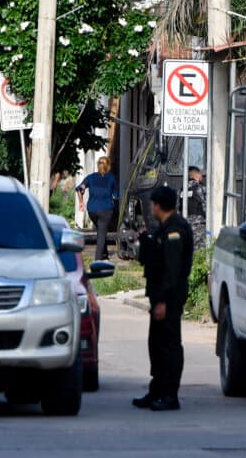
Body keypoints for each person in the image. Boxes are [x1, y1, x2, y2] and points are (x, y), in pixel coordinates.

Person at [133, 186, 194, 412]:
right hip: (159, 297)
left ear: (158, 205)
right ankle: (156, 390)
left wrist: (163, 302)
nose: (151, 208)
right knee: (156, 345)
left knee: (169, 346)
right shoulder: (163, 229)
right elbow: (154, 261)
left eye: (152, 204)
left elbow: (172, 270)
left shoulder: (175, 230)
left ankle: (170, 394)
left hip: (168, 299)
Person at [75, 156, 119, 260]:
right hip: (106, 210)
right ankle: (98, 260)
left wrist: (81, 202)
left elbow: (80, 189)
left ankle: (105, 254)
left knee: (101, 230)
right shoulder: (112, 178)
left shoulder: (90, 177)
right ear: (108, 166)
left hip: (92, 210)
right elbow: (116, 196)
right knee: (101, 233)